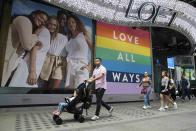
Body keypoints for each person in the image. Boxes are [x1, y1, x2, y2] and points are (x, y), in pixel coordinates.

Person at [5, 10, 49, 86]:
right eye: (41, 17)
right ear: (34, 15)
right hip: (5, 58)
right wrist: (36, 35)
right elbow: (27, 46)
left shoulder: (30, 26)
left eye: (44, 21)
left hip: (9, 59)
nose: (42, 21)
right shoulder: (25, 20)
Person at [65, 14, 92, 91]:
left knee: (80, 91)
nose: (71, 24)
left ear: (77, 23)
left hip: (81, 65)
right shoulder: (68, 37)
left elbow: (94, 50)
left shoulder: (84, 34)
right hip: (70, 66)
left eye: (73, 22)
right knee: (70, 92)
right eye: (68, 23)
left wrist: (90, 66)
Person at [39, 17, 68, 89]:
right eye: (50, 24)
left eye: (54, 25)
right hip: (47, 59)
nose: (52, 26)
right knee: (44, 85)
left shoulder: (62, 37)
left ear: (57, 26)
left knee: (55, 86)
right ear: (47, 24)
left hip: (60, 61)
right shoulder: (44, 33)